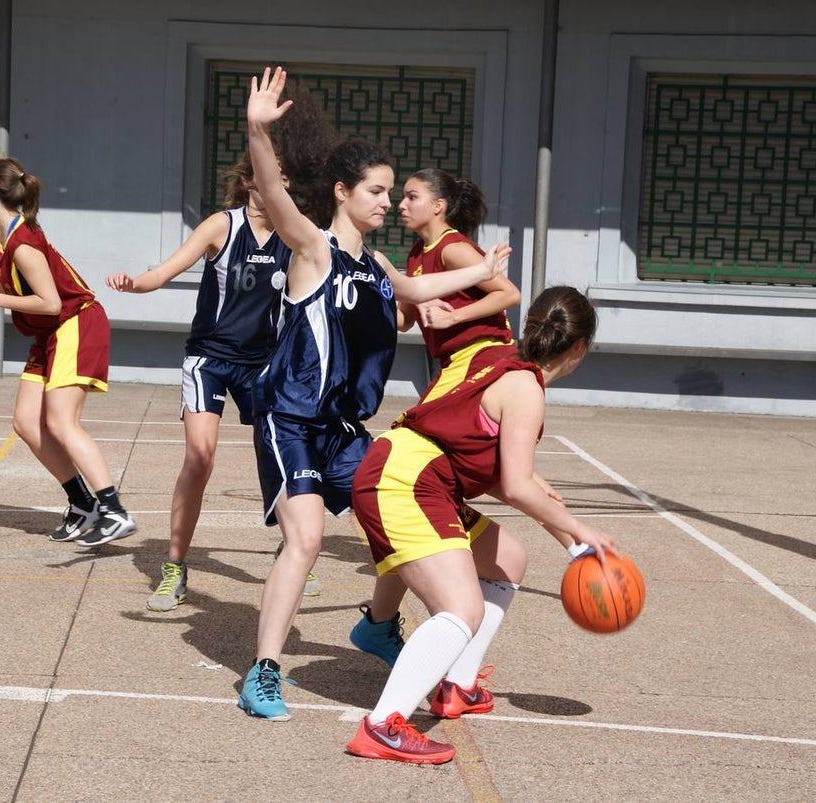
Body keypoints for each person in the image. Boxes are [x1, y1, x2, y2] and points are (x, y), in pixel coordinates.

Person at [238, 66, 510, 721]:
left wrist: (484, 269)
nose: (389, 203)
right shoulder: (314, 248)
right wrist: (256, 128)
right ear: (342, 192)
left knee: (402, 507)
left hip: (342, 428)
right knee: (302, 538)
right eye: (378, 191)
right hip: (291, 418)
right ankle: (264, 671)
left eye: (392, 192)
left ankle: (377, 626)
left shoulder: (376, 264)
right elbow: (273, 189)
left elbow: (415, 292)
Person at [344, 285, 618, 764]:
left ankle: (457, 686)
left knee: (508, 560)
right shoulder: (527, 390)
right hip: (407, 479)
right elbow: (516, 484)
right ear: (579, 349)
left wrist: (571, 544)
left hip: (414, 469)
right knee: (461, 607)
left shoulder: (493, 354)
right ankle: (382, 726)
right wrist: (582, 531)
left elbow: (501, 470)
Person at [105, 155, 318, 612]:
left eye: (282, 178)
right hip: (210, 358)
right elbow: (164, 272)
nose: (277, 184)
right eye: (268, 176)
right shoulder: (222, 226)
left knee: (281, 456)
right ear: (248, 181)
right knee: (200, 457)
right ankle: (175, 567)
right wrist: (134, 284)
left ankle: (295, 552)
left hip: (263, 363)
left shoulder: (295, 234)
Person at [0, 157, 136, 547]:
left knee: (62, 423)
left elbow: (50, 302)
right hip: (49, 333)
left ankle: (114, 510)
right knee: (26, 422)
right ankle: (82, 503)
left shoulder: (24, 242)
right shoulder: (3, 235)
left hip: (74, 323)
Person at [350, 168, 525, 664]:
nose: (401, 204)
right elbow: (407, 313)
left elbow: (506, 293)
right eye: (399, 197)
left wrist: (454, 316)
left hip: (482, 369)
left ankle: (415, 630)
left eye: (411, 196)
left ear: (440, 206)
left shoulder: (451, 247)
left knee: (413, 480)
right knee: (411, 501)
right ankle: (382, 625)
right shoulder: (415, 255)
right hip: (454, 374)